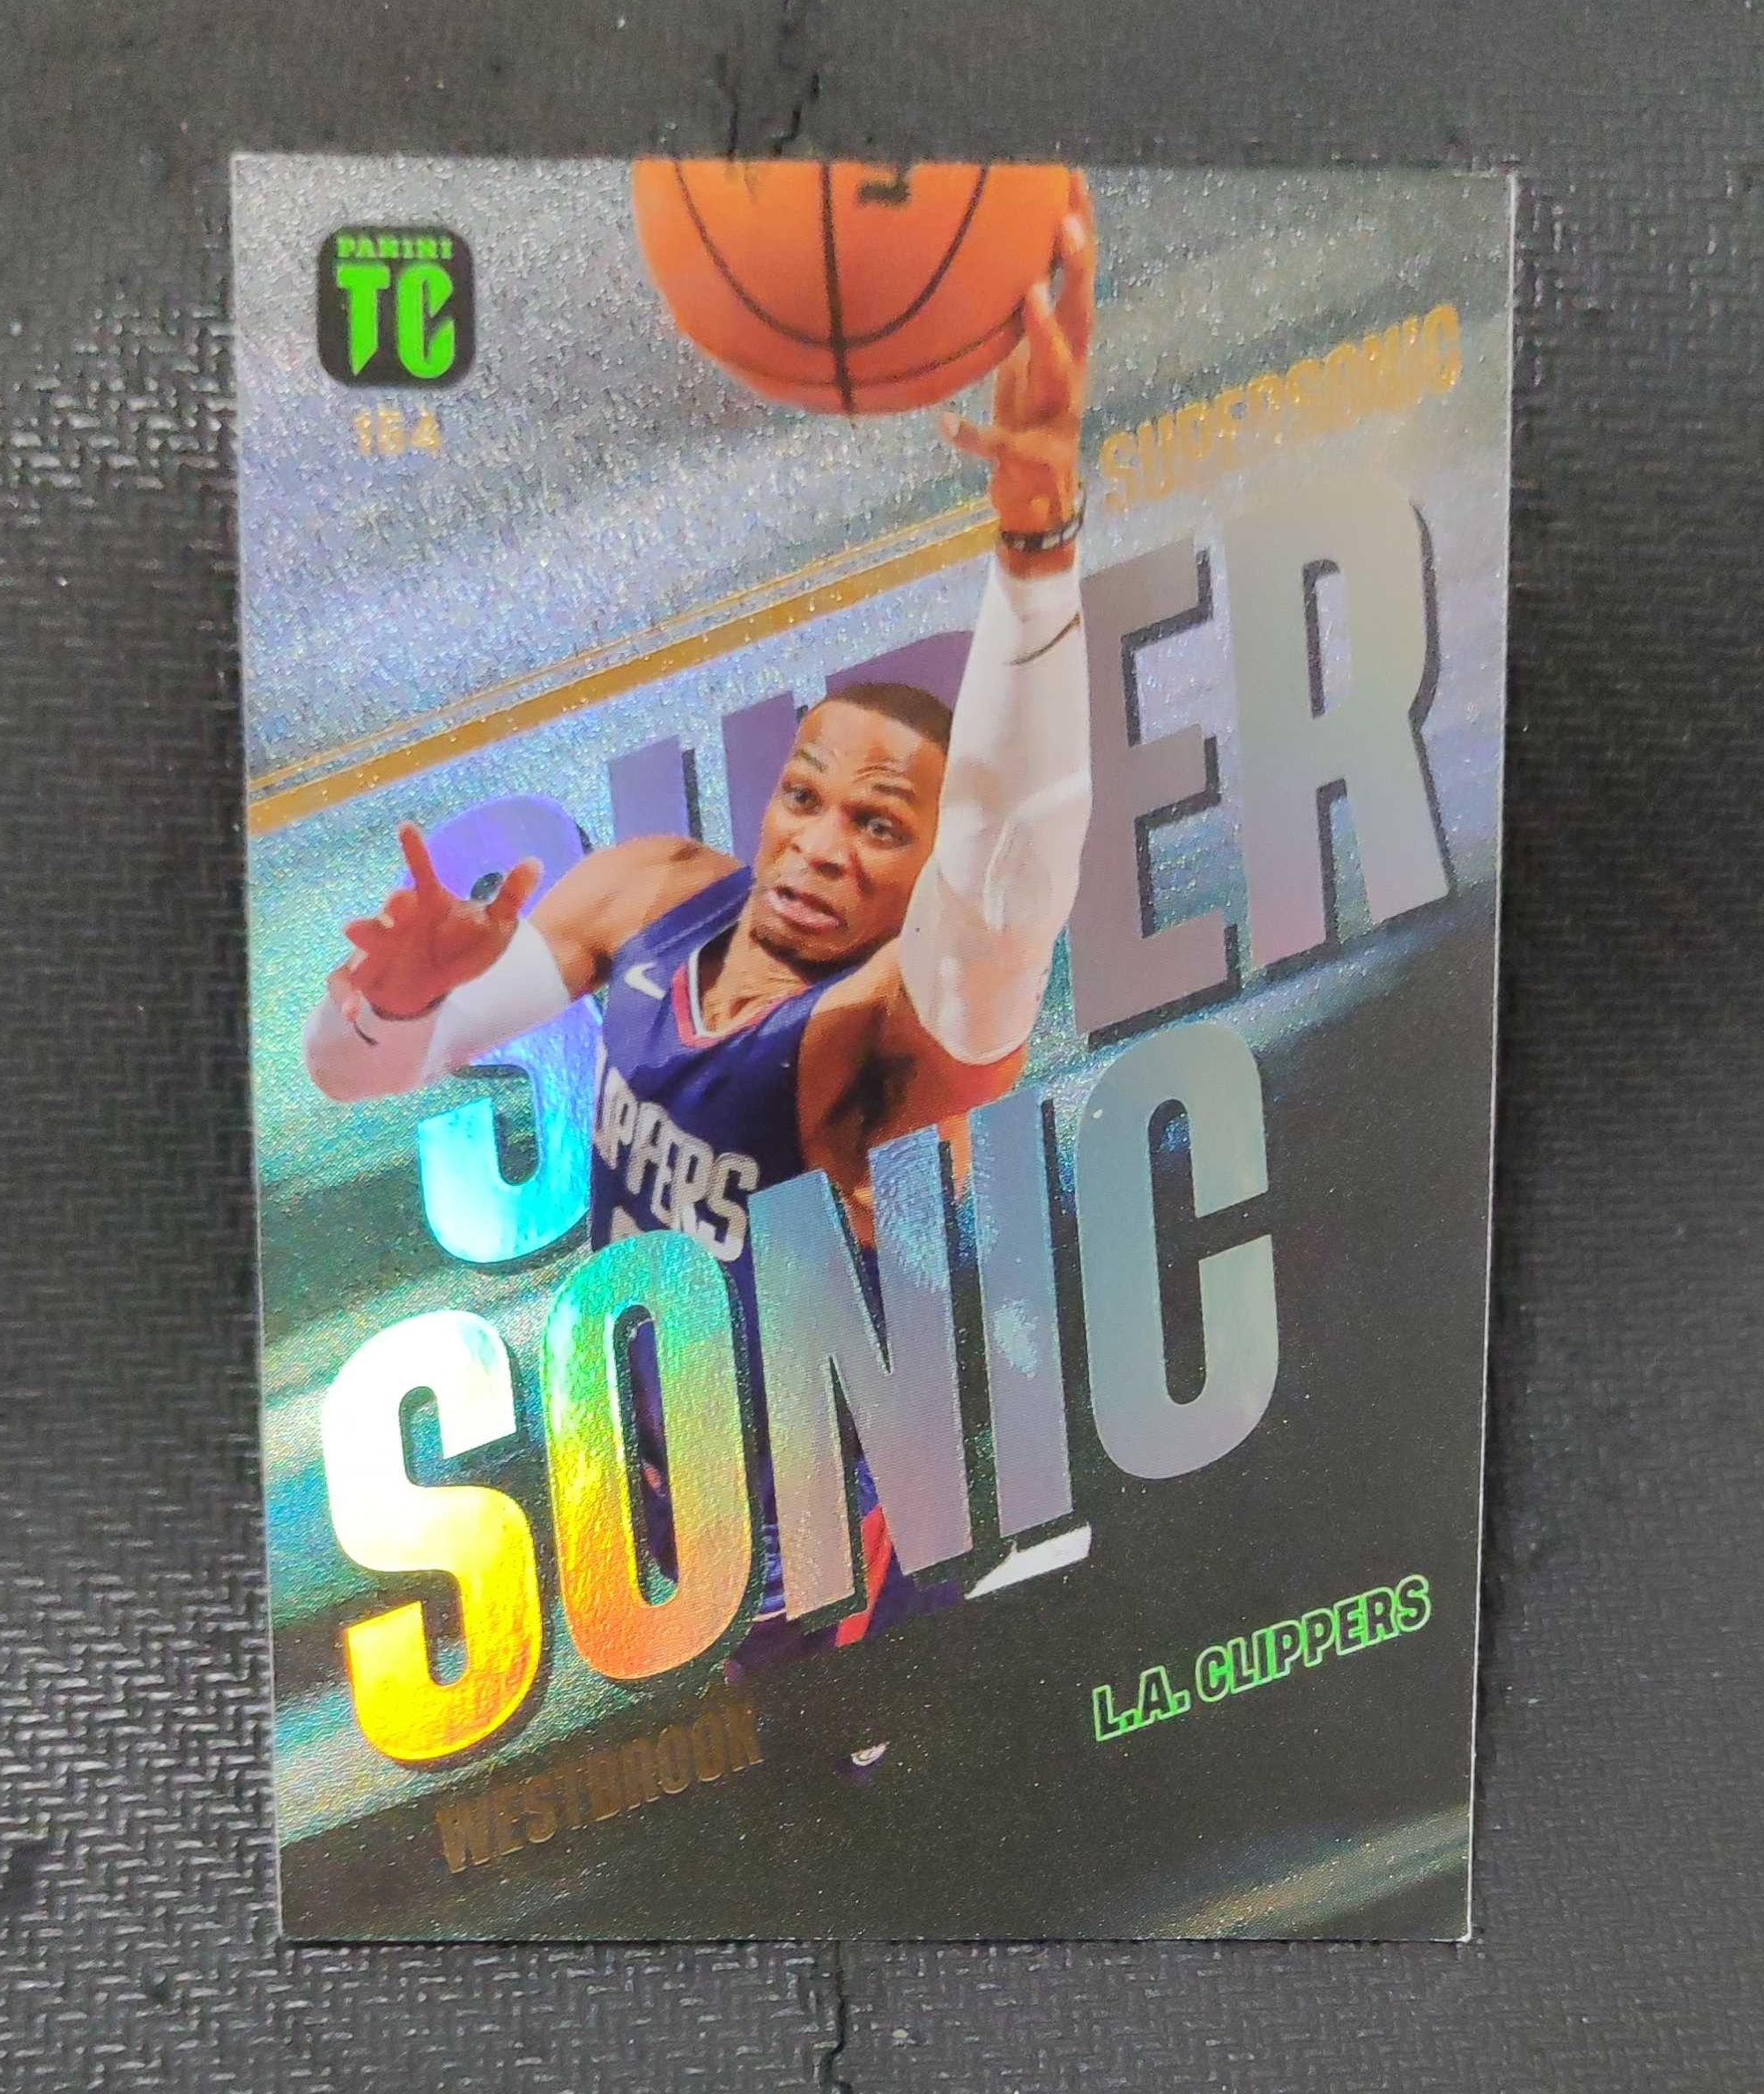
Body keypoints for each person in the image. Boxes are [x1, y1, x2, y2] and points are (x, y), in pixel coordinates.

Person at [302, 176, 1096, 1734]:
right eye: (806, 796)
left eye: (880, 827)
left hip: (825, 1543)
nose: (818, 844)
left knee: (850, 1801)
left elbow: (1016, 862)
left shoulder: (884, 1045)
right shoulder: (654, 892)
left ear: (929, 875)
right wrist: (387, 1000)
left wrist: (1035, 549)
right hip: (642, 1488)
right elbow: (365, 1072)